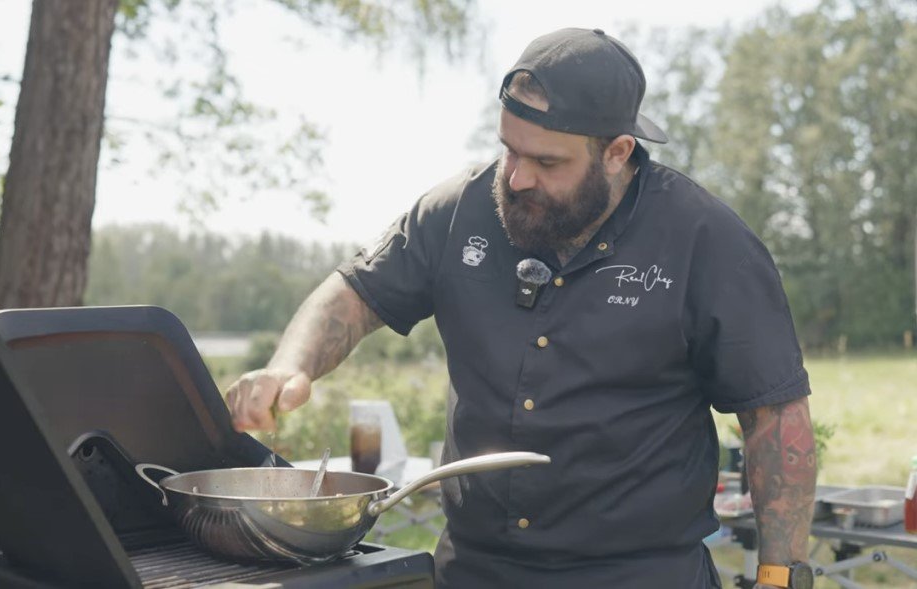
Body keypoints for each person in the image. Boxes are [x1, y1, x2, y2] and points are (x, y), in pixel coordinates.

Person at [226, 28, 817, 589]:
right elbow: (354, 293)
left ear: (617, 152)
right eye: (509, 149)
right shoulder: (458, 209)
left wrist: (780, 574)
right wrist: (289, 366)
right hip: (476, 569)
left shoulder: (706, 240)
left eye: (547, 162)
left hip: (638, 572)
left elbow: (775, 420)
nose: (517, 177)